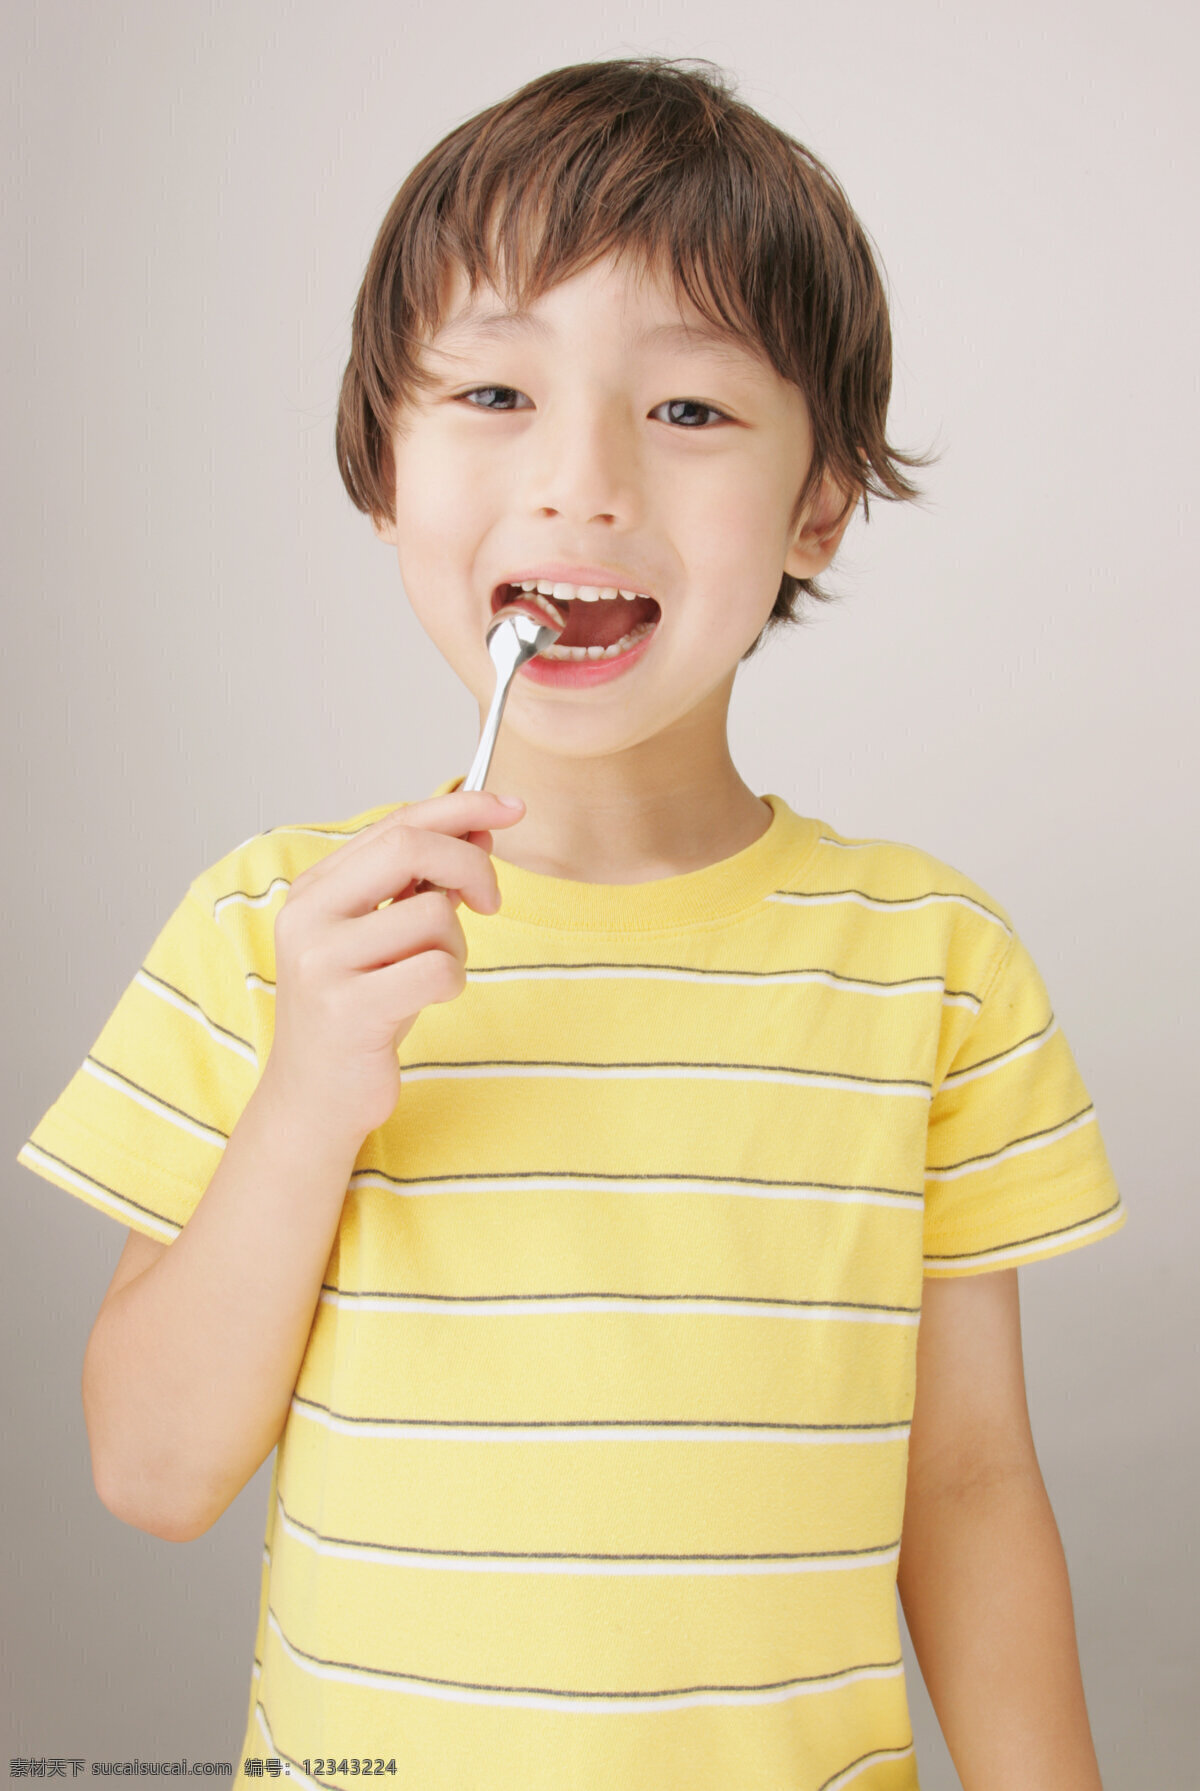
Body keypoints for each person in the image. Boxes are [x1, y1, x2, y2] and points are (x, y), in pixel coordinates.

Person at [16, 55, 1126, 1791]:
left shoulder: (932, 963)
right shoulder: (273, 934)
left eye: (687, 411)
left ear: (818, 505)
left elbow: (970, 1488)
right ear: (382, 470)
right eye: (489, 392)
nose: (584, 479)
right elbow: (150, 1474)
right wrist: (315, 1089)